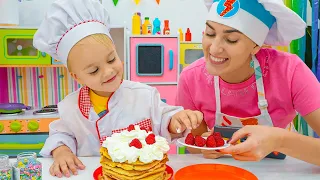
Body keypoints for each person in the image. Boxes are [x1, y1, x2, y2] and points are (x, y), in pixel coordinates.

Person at [33, 0, 203, 177]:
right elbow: (60, 135)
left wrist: (176, 120)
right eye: (94, 70)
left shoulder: (144, 95)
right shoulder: (70, 107)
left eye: (111, 59)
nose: (108, 71)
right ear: (76, 76)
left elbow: (165, 119)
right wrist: (61, 151)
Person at [176, 0, 320, 166]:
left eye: (231, 40)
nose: (214, 49)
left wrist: (279, 141)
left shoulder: (290, 71)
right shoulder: (190, 78)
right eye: (209, 33)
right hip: (222, 171)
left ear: (256, 46)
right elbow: (194, 145)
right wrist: (206, 146)